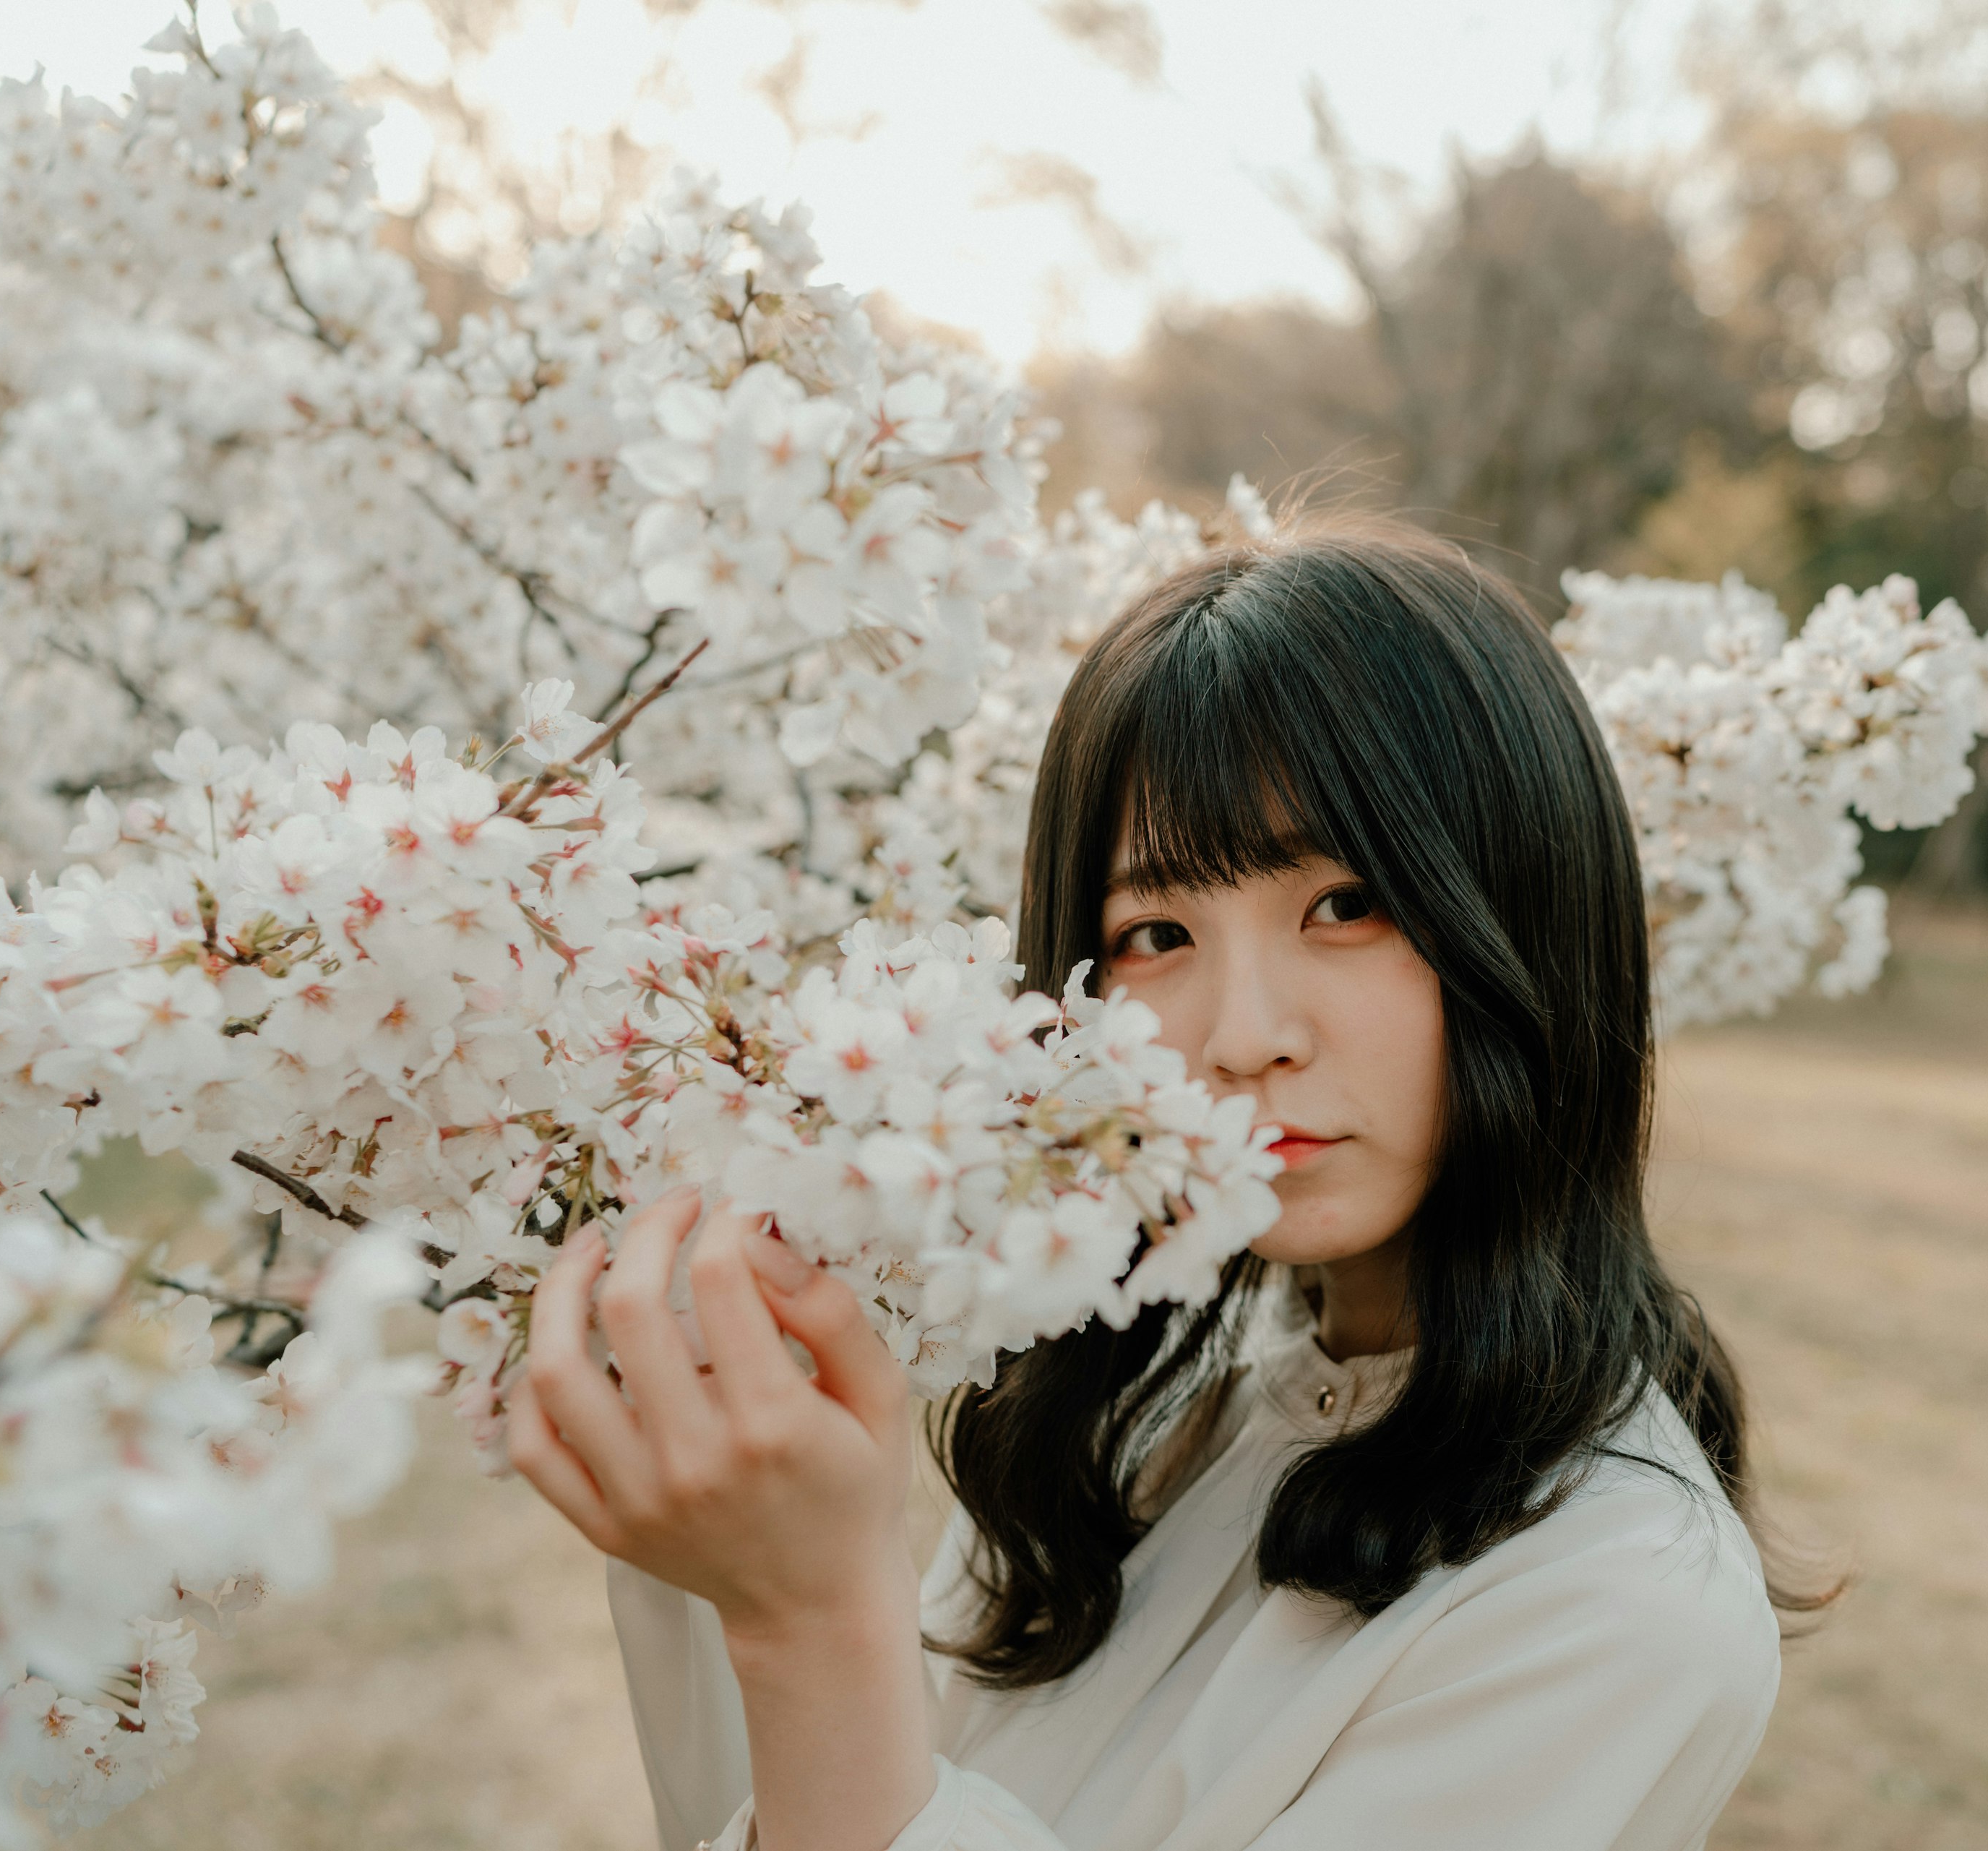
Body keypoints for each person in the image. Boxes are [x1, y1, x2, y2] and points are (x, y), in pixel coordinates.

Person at [507, 520, 1810, 1851]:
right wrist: (724, 1541)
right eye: (1158, 933)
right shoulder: (1156, 1398)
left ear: (1532, 907)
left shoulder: (1621, 1607)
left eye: (1349, 902)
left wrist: (812, 1622)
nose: (1244, 1034)